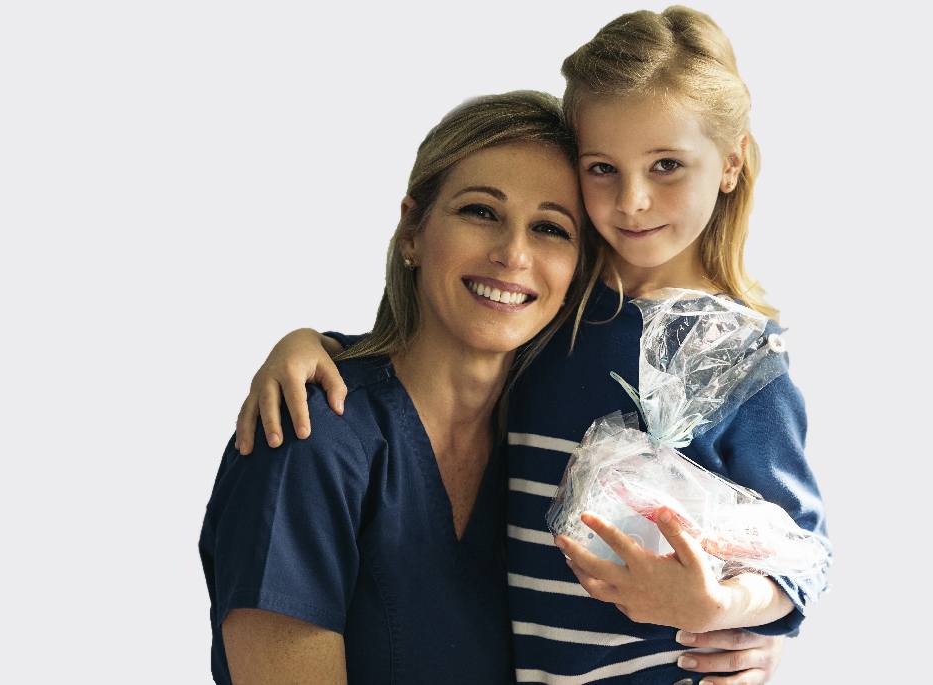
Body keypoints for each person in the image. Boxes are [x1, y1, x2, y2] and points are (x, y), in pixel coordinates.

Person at [231, 7, 827, 684]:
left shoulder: (730, 357)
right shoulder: (559, 319)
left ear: (729, 163)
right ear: (413, 229)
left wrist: (731, 607)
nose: (632, 201)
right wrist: (308, 342)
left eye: (665, 165)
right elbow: (419, 365)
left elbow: (801, 554)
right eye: (603, 168)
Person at [200, 90, 589, 684]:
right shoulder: (311, 435)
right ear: (413, 231)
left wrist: (750, 630)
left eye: (550, 228)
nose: (513, 253)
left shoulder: (555, 457)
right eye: (480, 211)